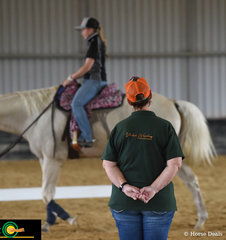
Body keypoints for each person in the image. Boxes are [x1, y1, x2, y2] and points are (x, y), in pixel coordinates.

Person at [101, 76, 184, 240]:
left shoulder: (119, 128)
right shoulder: (165, 127)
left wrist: (124, 187)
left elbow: (108, 165)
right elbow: (175, 164)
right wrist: (153, 189)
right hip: (158, 202)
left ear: (129, 102)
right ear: (150, 96)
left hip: (124, 202)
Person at [62, 17, 107, 147]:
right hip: (94, 80)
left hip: (94, 81)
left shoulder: (94, 42)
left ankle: (87, 137)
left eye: (83, 29)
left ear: (90, 30)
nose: (82, 32)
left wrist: (71, 78)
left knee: (76, 104)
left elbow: (87, 67)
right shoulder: (95, 41)